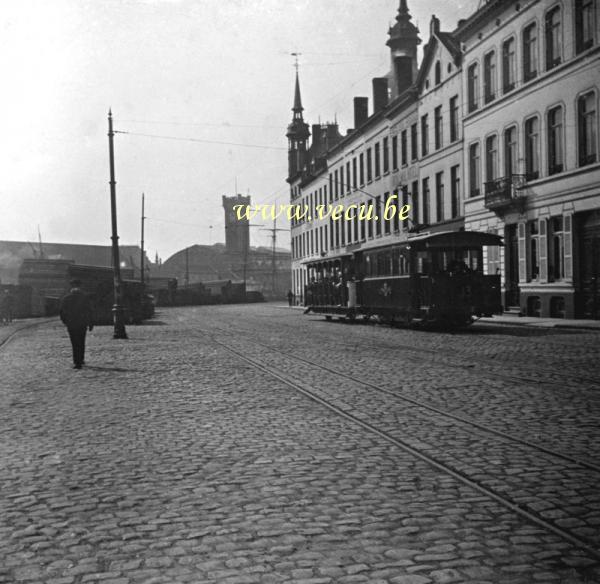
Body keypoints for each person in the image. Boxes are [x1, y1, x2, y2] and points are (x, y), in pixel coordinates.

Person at [59, 279, 94, 369]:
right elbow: (89, 311)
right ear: (80, 287)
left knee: (74, 342)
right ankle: (81, 359)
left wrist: (65, 321)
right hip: (82, 323)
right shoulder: (85, 298)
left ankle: (76, 361)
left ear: (71, 287)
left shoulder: (66, 298)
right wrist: (90, 323)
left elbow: (62, 312)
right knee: (81, 341)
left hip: (71, 324)